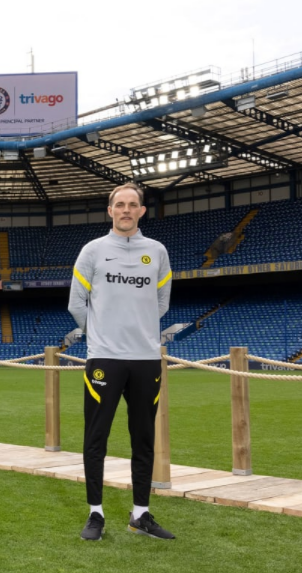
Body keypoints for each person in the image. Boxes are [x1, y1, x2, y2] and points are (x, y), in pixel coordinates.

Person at [68, 183, 173, 541]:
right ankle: (95, 513)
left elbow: (161, 304)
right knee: (96, 438)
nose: (126, 210)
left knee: (143, 438)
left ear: (142, 211)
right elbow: (76, 303)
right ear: (109, 210)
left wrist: (139, 333)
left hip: (145, 359)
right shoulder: (93, 251)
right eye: (119, 205)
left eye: (132, 205)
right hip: (104, 359)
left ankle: (141, 513)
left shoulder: (157, 252)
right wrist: (101, 336)